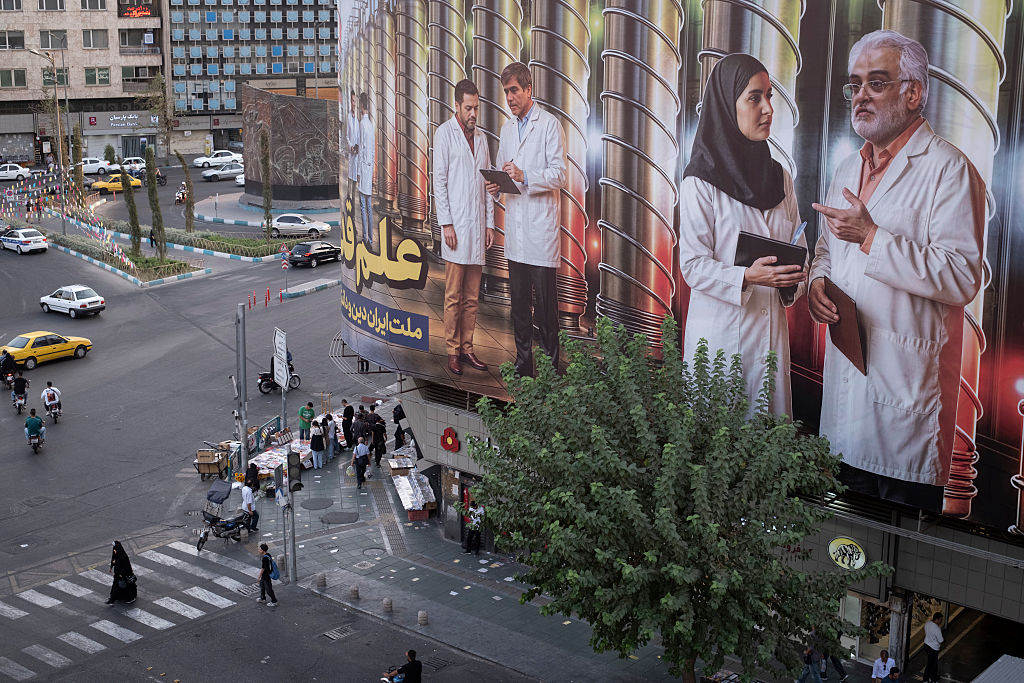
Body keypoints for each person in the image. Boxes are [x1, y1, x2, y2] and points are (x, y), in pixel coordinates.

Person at [808, 30, 985, 512]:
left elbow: (961, 276)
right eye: (855, 85)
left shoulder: (949, 170)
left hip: (902, 408)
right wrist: (816, 281)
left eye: (877, 83)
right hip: (845, 401)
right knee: (840, 545)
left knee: (893, 564)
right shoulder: (848, 168)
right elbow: (827, 246)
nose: (860, 96)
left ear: (913, 92)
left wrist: (872, 237)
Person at [678, 53, 806, 416]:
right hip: (721, 340)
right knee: (719, 449)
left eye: (769, 96)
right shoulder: (700, 180)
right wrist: (748, 277)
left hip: (770, 336)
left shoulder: (780, 176)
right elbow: (692, 264)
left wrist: (795, 273)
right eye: (754, 98)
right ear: (726, 106)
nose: (767, 108)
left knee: (766, 447)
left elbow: (799, 245)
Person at [484, 61, 567, 377]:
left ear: (529, 89)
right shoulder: (506, 130)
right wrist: (495, 187)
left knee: (546, 310)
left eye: (514, 90)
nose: (510, 97)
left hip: (540, 232)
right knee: (519, 306)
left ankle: (551, 368)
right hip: (516, 233)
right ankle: (523, 363)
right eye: (506, 92)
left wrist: (525, 174)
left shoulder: (549, 125)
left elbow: (559, 174)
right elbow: (504, 175)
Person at [434, 78, 496, 376]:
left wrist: (490, 224)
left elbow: (488, 184)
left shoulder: (482, 139)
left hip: (477, 227)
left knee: (472, 296)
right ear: (456, 105)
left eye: (477, 108)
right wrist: (445, 222)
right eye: (469, 108)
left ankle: (468, 348)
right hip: (455, 229)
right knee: (453, 295)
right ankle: (452, 350)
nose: (473, 113)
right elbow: (440, 183)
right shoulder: (443, 135)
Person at [357, 91, 376, 246]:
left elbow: (361, 149)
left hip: (363, 168)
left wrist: (358, 172)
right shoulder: (370, 124)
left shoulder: (362, 124)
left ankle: (365, 237)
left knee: (363, 206)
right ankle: (371, 237)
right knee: (369, 206)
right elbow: (372, 150)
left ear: (361, 106)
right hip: (369, 168)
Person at [347, 89, 360, 209]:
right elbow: (347, 135)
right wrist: (351, 145)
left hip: (357, 152)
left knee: (355, 177)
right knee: (350, 177)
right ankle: (348, 198)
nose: (353, 103)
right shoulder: (349, 117)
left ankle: (353, 199)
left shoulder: (357, 119)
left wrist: (357, 146)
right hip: (351, 152)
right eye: (352, 101)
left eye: (355, 101)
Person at [922, 612, 943, 682]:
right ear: (937, 619)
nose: (941, 621)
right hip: (933, 648)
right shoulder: (937, 629)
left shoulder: (927, 624)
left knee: (934, 663)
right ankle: (926, 679)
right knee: (931, 664)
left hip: (926, 645)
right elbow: (941, 640)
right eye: (940, 620)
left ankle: (934, 677)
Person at [256, 543, 278, 607]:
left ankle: (274, 601)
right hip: (265, 575)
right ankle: (263, 598)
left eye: (259, 549)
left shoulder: (265, 558)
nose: (258, 550)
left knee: (268, 589)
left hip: (266, 576)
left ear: (263, 550)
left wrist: (259, 576)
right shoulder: (268, 555)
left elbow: (263, 568)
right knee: (262, 586)